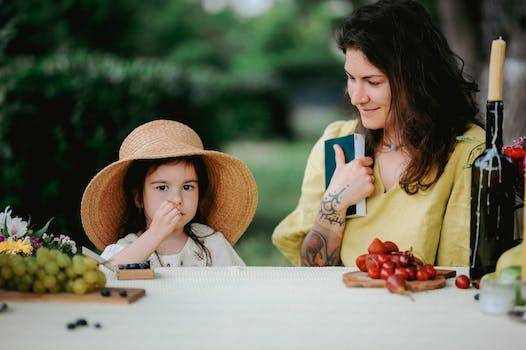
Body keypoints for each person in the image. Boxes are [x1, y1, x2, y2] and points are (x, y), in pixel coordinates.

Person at [272, 0, 485, 267]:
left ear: (415, 79)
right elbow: (311, 269)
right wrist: (335, 202)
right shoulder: (338, 144)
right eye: (351, 78)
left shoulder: (466, 151)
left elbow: (461, 271)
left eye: (373, 82)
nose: (357, 97)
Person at [81, 119, 258, 267]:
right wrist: (154, 234)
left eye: (187, 187)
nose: (176, 199)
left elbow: (240, 285)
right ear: (138, 198)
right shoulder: (129, 247)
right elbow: (106, 275)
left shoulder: (211, 242)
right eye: (162, 187)